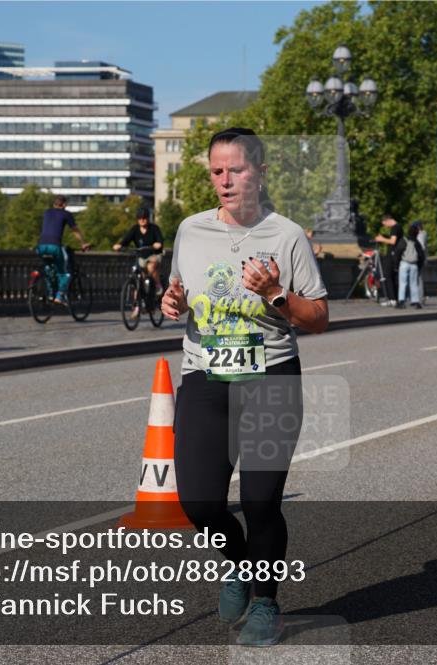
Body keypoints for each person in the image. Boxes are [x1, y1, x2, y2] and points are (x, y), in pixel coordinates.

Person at [161, 127, 328, 647]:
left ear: (260, 172)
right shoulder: (190, 230)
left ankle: (265, 603)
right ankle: (238, 563)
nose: (225, 180)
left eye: (236, 169)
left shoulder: (287, 235)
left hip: (270, 378)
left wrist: (276, 292)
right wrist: (173, 303)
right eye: (217, 171)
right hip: (205, 379)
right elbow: (180, 292)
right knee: (199, 504)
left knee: (260, 502)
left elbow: (318, 317)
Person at [37, 196, 89, 305]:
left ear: (54, 204)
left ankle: (51, 294)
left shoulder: (46, 212)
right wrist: (83, 243)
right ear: (64, 205)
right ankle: (60, 296)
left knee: (49, 269)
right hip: (54, 246)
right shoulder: (66, 214)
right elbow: (75, 230)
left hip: (41, 246)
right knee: (64, 273)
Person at [113, 206, 164, 314]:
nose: (142, 220)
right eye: (140, 218)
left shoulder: (154, 228)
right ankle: (136, 306)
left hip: (153, 255)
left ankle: (158, 285)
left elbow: (160, 241)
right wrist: (120, 245)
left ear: (148, 218)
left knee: (151, 266)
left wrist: (157, 244)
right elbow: (126, 240)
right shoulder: (135, 229)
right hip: (141, 257)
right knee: (138, 280)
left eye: (144, 218)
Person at [395, 223, 426, 309]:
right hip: (414, 265)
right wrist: (419, 266)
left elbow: (398, 252)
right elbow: (421, 256)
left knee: (402, 283)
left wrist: (396, 265)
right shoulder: (417, 242)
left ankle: (401, 301)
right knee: (414, 284)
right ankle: (415, 301)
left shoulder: (403, 240)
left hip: (404, 263)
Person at [374, 214, 403, 305]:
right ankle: (394, 298)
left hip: (392, 255)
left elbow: (393, 241)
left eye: (385, 224)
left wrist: (382, 239)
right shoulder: (398, 227)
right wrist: (385, 236)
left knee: (388, 275)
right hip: (394, 255)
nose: (385, 226)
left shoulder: (395, 228)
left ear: (387, 220)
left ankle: (392, 299)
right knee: (392, 276)